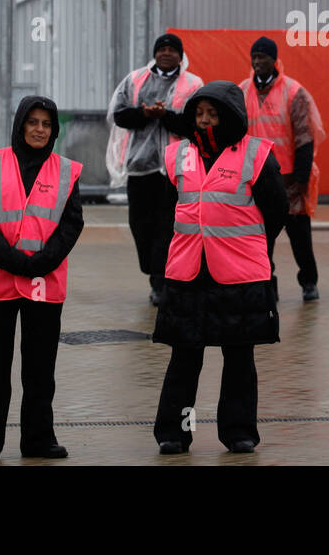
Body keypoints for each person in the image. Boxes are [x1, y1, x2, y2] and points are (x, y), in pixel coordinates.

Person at [152, 81, 287, 454]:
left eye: (213, 114)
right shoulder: (177, 155)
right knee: (184, 355)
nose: (206, 121)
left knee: (239, 356)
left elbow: (276, 211)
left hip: (239, 274)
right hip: (188, 271)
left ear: (231, 116)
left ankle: (239, 432)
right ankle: (173, 434)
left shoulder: (257, 155)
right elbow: (165, 216)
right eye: (199, 114)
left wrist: (248, 245)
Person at [0, 95, 83, 462]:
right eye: (33, 122)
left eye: (46, 124)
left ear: (54, 130)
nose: (39, 130)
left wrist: (41, 262)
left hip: (44, 284)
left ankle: (38, 439)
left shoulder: (67, 171)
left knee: (40, 370)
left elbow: (72, 223)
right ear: (19, 125)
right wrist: (15, 261)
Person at [107, 34, 202, 305]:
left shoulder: (193, 84)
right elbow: (119, 116)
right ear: (155, 53)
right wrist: (145, 115)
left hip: (176, 168)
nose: (167, 53)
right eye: (162, 49)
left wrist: (166, 117)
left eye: (173, 50)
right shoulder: (136, 79)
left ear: (181, 56)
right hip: (141, 167)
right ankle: (152, 269)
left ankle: (160, 283)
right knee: (140, 224)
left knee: (167, 226)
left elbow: (195, 123)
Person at [239, 37, 326, 301]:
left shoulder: (293, 91)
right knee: (261, 238)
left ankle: (308, 281)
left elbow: (304, 136)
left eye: (263, 57)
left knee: (300, 236)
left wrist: (300, 179)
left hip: (289, 180)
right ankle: (267, 283)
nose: (258, 62)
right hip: (256, 178)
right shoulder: (242, 90)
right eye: (254, 57)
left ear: (274, 60)